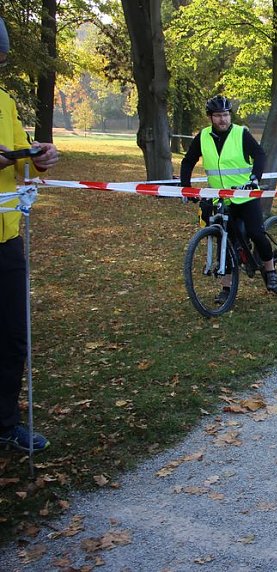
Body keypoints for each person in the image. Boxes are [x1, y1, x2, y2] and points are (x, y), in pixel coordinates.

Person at [0, 16, 60, 452]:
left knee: (13, 337)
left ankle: (5, 423)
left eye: (1, 60)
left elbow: (20, 160)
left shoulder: (4, 102)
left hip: (7, 238)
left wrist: (38, 158)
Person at [180, 95, 277, 303]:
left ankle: (270, 271)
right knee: (225, 241)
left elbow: (260, 155)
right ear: (210, 117)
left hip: (245, 196)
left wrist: (254, 179)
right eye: (218, 115)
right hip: (221, 199)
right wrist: (186, 187)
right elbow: (188, 161)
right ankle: (226, 288)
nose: (223, 119)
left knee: (256, 233)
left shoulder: (240, 133)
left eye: (225, 115)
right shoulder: (203, 137)